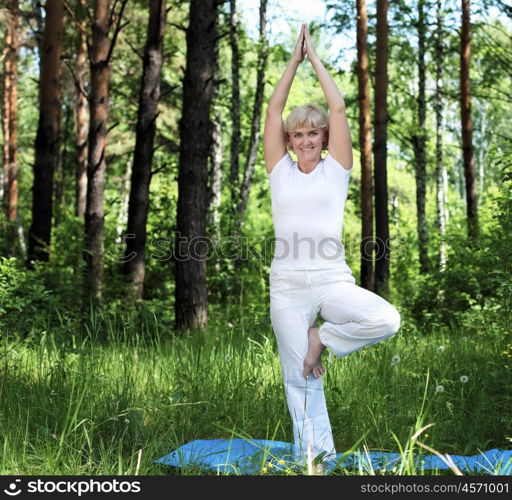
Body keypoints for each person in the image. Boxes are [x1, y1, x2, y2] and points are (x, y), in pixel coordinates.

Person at [263, 24, 401, 470]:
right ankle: (318, 460)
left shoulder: (336, 170)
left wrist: (314, 59)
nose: (306, 141)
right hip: (286, 287)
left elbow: (339, 107)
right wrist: (292, 61)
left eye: (314, 134)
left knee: (385, 318)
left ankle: (321, 338)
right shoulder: (278, 171)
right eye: (297, 135)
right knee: (299, 377)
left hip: (330, 280)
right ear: (289, 141)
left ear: (324, 138)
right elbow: (273, 109)